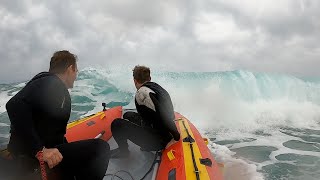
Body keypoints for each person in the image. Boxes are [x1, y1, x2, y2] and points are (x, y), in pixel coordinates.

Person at [5, 50, 110, 180]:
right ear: (70, 68)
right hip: (31, 155)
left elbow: (52, 131)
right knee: (100, 148)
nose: (76, 75)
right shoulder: (51, 83)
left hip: (34, 152)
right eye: (76, 71)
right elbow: (14, 105)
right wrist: (39, 150)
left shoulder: (48, 84)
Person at [110, 65, 180, 158]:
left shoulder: (142, 94)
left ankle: (124, 152)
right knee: (128, 115)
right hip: (161, 130)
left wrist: (176, 138)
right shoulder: (156, 87)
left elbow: (164, 116)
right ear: (149, 78)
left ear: (135, 80)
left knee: (117, 124)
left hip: (159, 140)